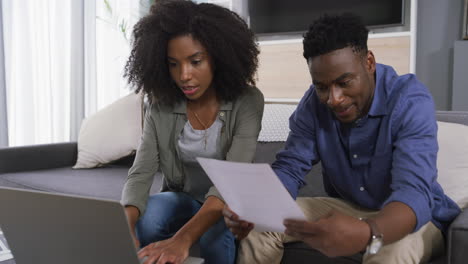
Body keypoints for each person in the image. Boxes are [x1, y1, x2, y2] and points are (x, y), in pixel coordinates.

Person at [223, 13, 461, 264]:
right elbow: (290, 168)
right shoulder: (313, 104)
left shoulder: (410, 100)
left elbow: (413, 193)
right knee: (262, 226)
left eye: (344, 82)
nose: (333, 99)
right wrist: (254, 210)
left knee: (389, 252)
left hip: (412, 216)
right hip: (348, 206)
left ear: (369, 62)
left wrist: (368, 231)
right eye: (322, 86)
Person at [121, 1, 264, 264]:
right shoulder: (160, 104)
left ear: (218, 57)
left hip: (228, 202)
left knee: (213, 238)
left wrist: (182, 240)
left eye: (195, 61)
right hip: (184, 197)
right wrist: (125, 228)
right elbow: (141, 172)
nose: (184, 75)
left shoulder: (248, 101)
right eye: (173, 64)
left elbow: (229, 183)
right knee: (147, 218)